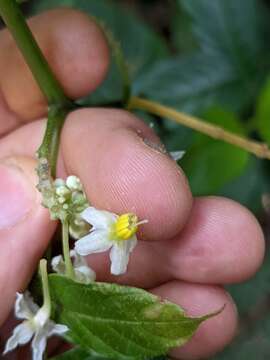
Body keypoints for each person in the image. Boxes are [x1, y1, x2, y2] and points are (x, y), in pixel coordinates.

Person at [0, 8, 265, 360]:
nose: (129, 225)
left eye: (126, 226)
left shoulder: (108, 229)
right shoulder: (101, 230)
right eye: (126, 224)